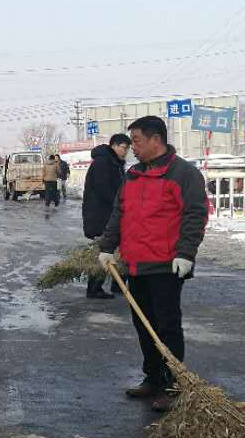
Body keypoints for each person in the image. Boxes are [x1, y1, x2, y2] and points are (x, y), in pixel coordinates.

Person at [98, 115, 209, 412]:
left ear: (155, 139)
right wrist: (107, 247)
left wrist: (186, 253)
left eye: (136, 141)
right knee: (143, 325)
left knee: (167, 326)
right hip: (135, 263)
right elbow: (119, 213)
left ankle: (173, 384)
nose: (132, 147)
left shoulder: (183, 173)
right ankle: (153, 377)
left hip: (166, 265)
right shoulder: (133, 175)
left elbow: (195, 214)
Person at [81, 134, 130, 299]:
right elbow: (103, 189)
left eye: (127, 148)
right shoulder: (103, 163)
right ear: (114, 146)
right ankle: (94, 288)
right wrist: (120, 203)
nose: (126, 151)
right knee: (104, 250)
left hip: (109, 214)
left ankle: (117, 284)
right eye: (124, 147)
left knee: (119, 249)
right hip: (101, 215)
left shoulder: (114, 163)